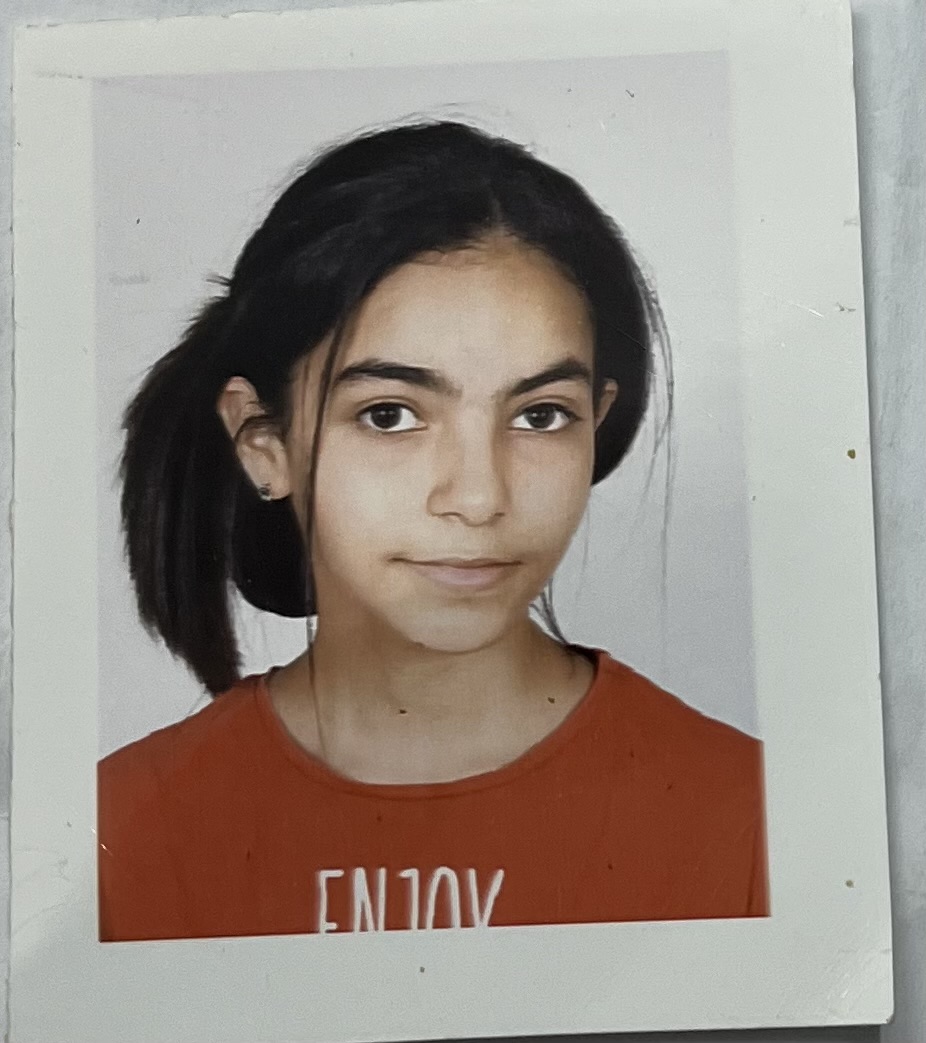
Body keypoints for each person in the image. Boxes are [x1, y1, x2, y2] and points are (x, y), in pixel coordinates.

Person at [98, 119, 768, 941]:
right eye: (390, 414)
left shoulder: (751, 819)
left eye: (540, 415)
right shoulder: (118, 836)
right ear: (263, 441)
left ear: (597, 422)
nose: (479, 498)